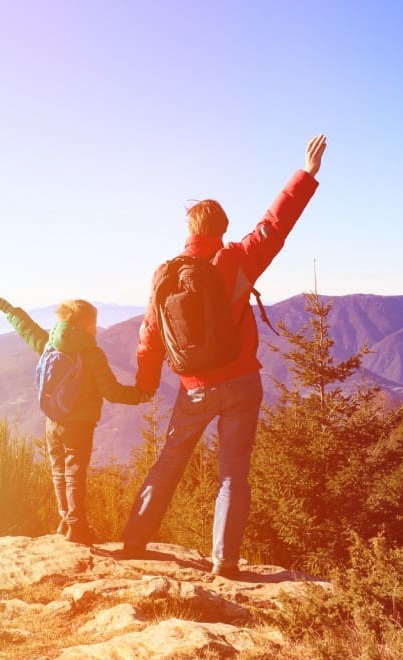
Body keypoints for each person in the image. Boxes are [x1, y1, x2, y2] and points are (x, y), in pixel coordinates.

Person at [121, 134, 327, 577]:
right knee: (233, 473)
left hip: (192, 388)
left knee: (169, 460)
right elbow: (276, 224)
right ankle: (224, 562)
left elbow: (149, 333)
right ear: (222, 229)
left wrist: (145, 383)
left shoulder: (165, 274)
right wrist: (306, 175)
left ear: (190, 231)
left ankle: (135, 540)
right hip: (239, 384)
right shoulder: (238, 259)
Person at [0, 294, 150, 544]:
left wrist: (10, 311)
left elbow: (28, 330)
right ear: (86, 325)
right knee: (75, 476)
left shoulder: (50, 344)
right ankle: (77, 529)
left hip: (52, 422)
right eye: (94, 324)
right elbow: (112, 392)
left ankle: (65, 521)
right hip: (78, 425)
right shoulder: (92, 354)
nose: (96, 329)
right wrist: (141, 395)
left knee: (58, 473)